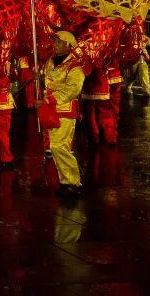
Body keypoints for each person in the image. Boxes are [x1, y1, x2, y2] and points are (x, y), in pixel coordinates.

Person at [42, 31, 85, 197]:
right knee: (55, 146)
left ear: (69, 45)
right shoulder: (51, 61)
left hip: (65, 109)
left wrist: (50, 99)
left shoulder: (74, 66)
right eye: (55, 42)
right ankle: (66, 181)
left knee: (60, 146)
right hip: (51, 109)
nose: (55, 45)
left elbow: (73, 89)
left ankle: (73, 182)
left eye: (59, 42)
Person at [81, 61, 115, 145]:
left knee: (90, 114)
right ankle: (108, 138)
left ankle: (94, 138)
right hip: (101, 84)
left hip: (88, 85)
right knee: (104, 114)